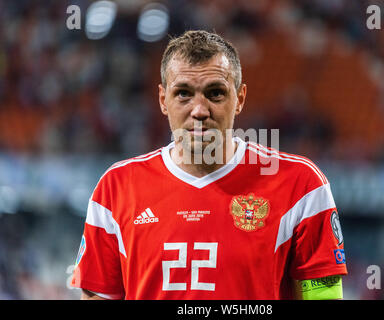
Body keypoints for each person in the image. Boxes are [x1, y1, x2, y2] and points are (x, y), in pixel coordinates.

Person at [71, 30, 347, 300]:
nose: (199, 110)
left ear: (239, 99)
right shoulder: (116, 189)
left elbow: (325, 296)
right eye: (183, 94)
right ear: (162, 99)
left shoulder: (302, 186)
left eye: (215, 93)